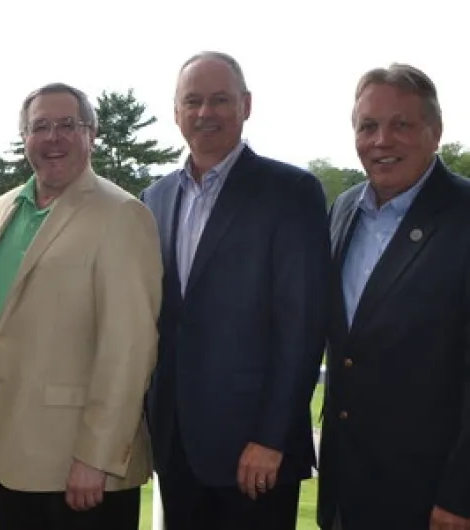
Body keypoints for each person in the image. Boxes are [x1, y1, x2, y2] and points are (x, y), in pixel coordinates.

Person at [139, 51, 330, 530]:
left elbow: (302, 325)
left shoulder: (291, 192)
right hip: (176, 448)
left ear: (246, 105)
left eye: (220, 100)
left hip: (254, 455)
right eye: (194, 101)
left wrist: (272, 437)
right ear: (177, 111)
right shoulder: (154, 199)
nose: (206, 113)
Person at [0, 82, 163, 530]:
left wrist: (96, 458)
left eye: (68, 125)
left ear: (91, 134)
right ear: (24, 138)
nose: (53, 137)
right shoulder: (4, 209)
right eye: (40, 126)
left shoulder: (122, 214)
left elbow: (129, 348)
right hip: (8, 465)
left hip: (80, 473)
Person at [316, 63, 470, 530]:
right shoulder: (344, 210)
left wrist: (461, 495)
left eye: (401, 125)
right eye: (368, 126)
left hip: (430, 498)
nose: (382, 140)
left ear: (435, 131)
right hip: (346, 487)